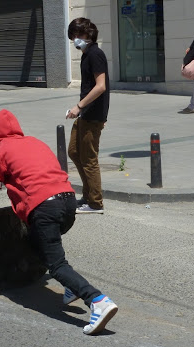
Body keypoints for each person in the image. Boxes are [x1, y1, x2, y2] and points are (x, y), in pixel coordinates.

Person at [0, 109, 118, 335]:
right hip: (68, 202)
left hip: (44, 208)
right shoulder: (35, 142)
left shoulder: (2, 150)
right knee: (36, 242)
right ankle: (73, 287)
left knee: (57, 265)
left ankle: (97, 300)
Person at [66, 17, 109, 214]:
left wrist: (79, 106)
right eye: (73, 35)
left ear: (89, 34)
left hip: (91, 114)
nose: (75, 39)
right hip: (87, 113)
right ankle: (88, 195)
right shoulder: (86, 55)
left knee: (89, 159)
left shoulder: (95, 54)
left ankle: (95, 203)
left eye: (79, 34)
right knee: (74, 151)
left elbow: (101, 86)